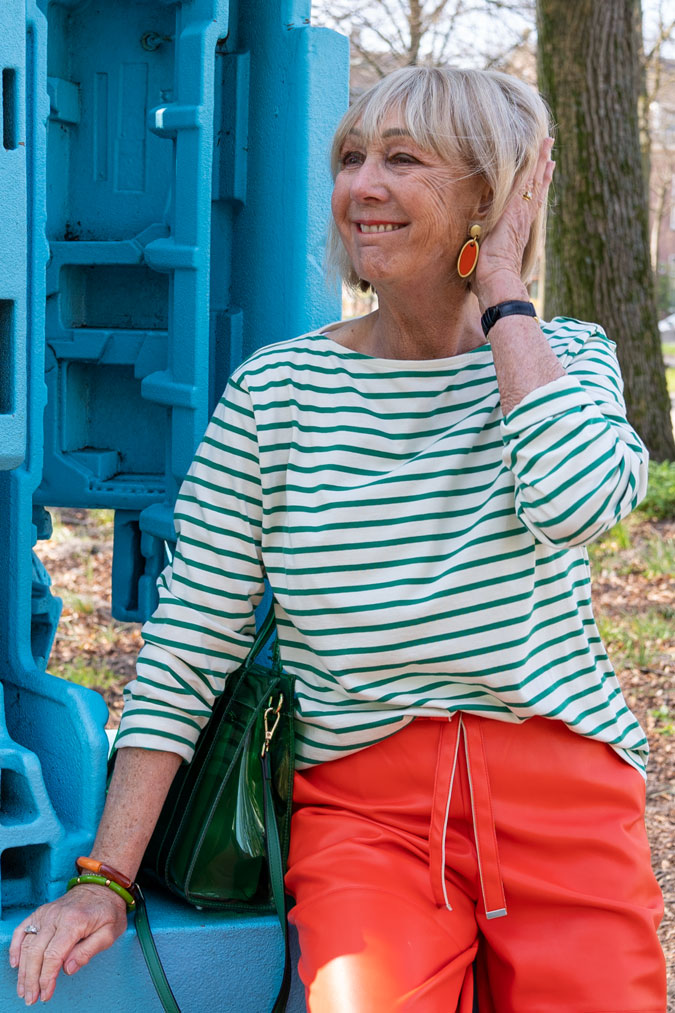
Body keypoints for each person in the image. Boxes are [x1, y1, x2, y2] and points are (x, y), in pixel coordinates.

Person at [10, 66, 666, 1012]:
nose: (361, 185)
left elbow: (576, 503)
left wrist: (503, 286)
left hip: (564, 801)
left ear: (488, 194)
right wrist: (105, 876)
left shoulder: (561, 360)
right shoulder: (277, 393)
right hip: (367, 816)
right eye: (351, 158)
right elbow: (191, 642)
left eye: (402, 159)